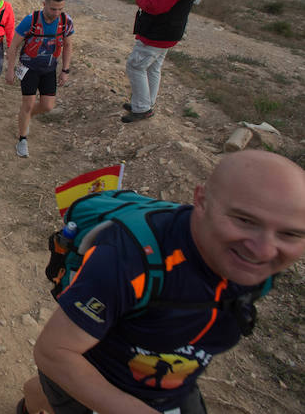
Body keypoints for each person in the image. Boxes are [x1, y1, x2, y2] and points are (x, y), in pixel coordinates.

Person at [19, 150, 305, 414]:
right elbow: (54, 352)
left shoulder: (254, 263)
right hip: (97, 376)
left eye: (290, 234)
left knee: (46, 391)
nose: (265, 250)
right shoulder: (129, 260)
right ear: (201, 200)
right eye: (244, 220)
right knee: (51, 390)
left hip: (168, 382)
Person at [123, 0, 198, 123]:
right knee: (152, 68)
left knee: (135, 66)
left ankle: (142, 108)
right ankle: (146, 103)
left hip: (158, 34)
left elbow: (156, 7)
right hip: (168, 33)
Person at [5, 0, 74, 159]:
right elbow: (13, 46)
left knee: (48, 106)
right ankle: (22, 139)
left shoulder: (66, 22)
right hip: (29, 68)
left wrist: (65, 70)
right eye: (53, 9)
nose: (56, 13)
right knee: (28, 104)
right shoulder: (31, 21)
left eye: (60, 9)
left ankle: (24, 117)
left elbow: (68, 45)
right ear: (44, 4)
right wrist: (10, 70)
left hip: (50, 69)